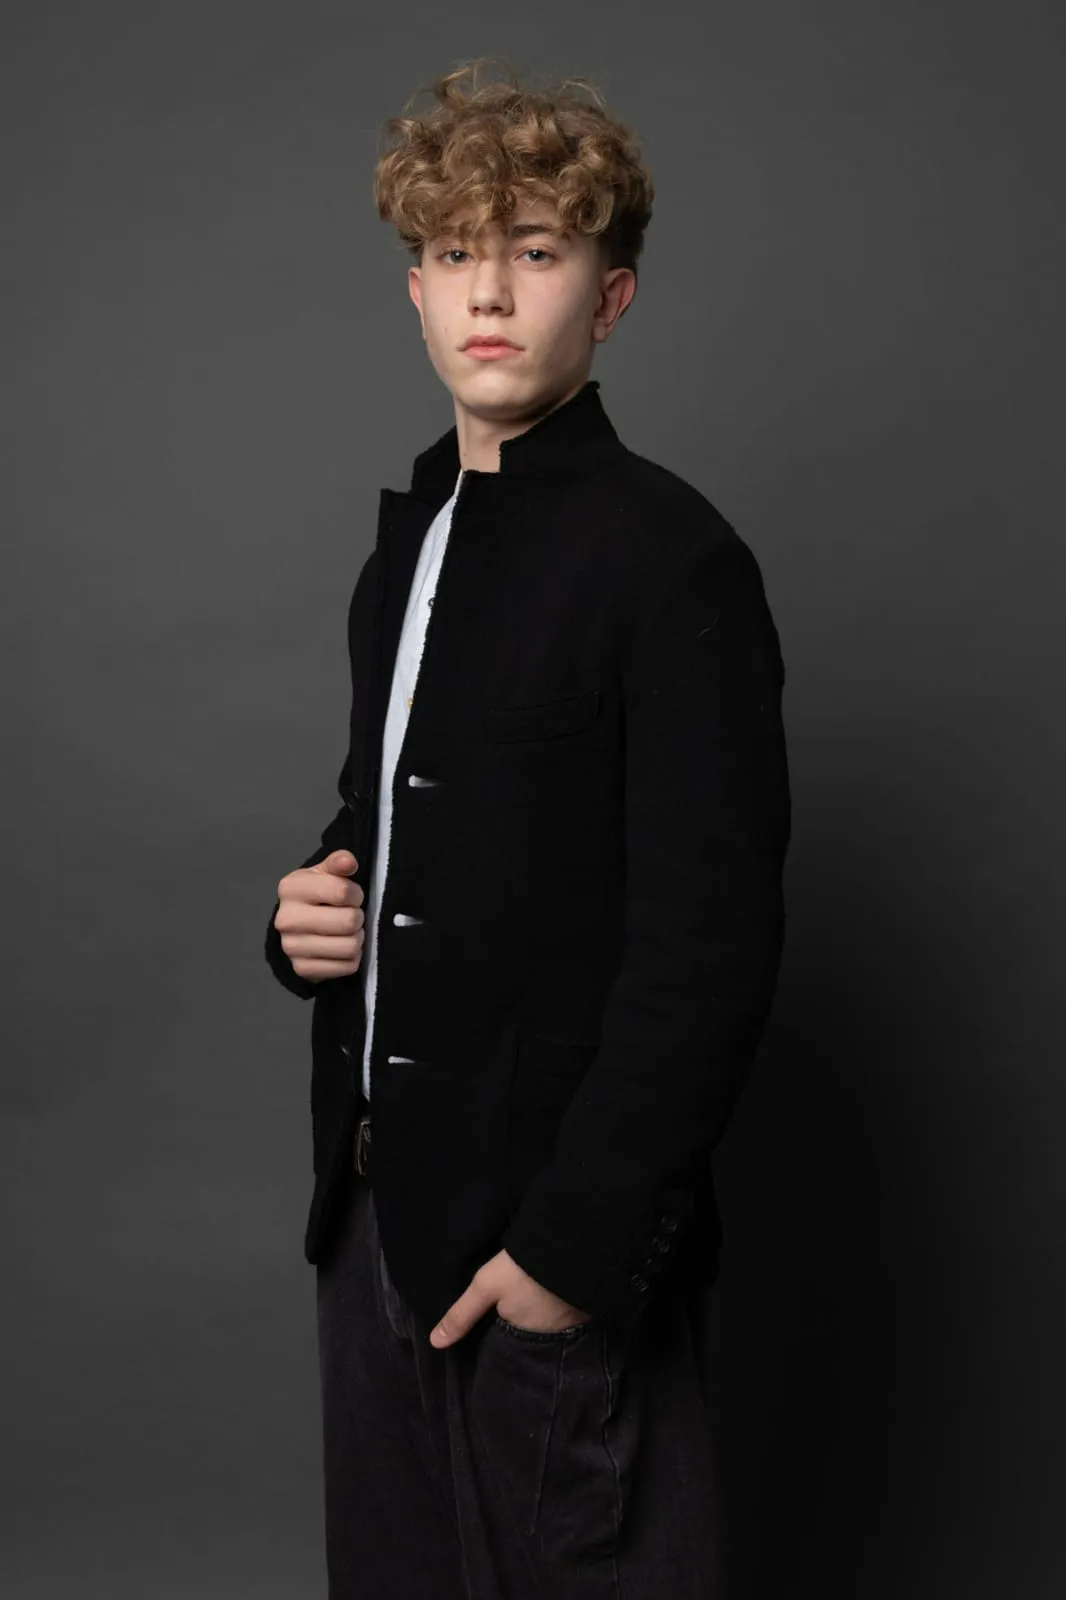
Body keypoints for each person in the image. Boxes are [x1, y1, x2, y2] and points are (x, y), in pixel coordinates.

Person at [264, 56, 790, 1600]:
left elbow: (708, 950)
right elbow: (389, 817)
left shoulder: (673, 561)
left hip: (548, 1247)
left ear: (608, 298)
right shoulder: (407, 552)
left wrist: (572, 1256)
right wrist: (303, 920)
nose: (488, 292)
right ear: (415, 291)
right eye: (454, 253)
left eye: (536, 251)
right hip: (374, 1221)